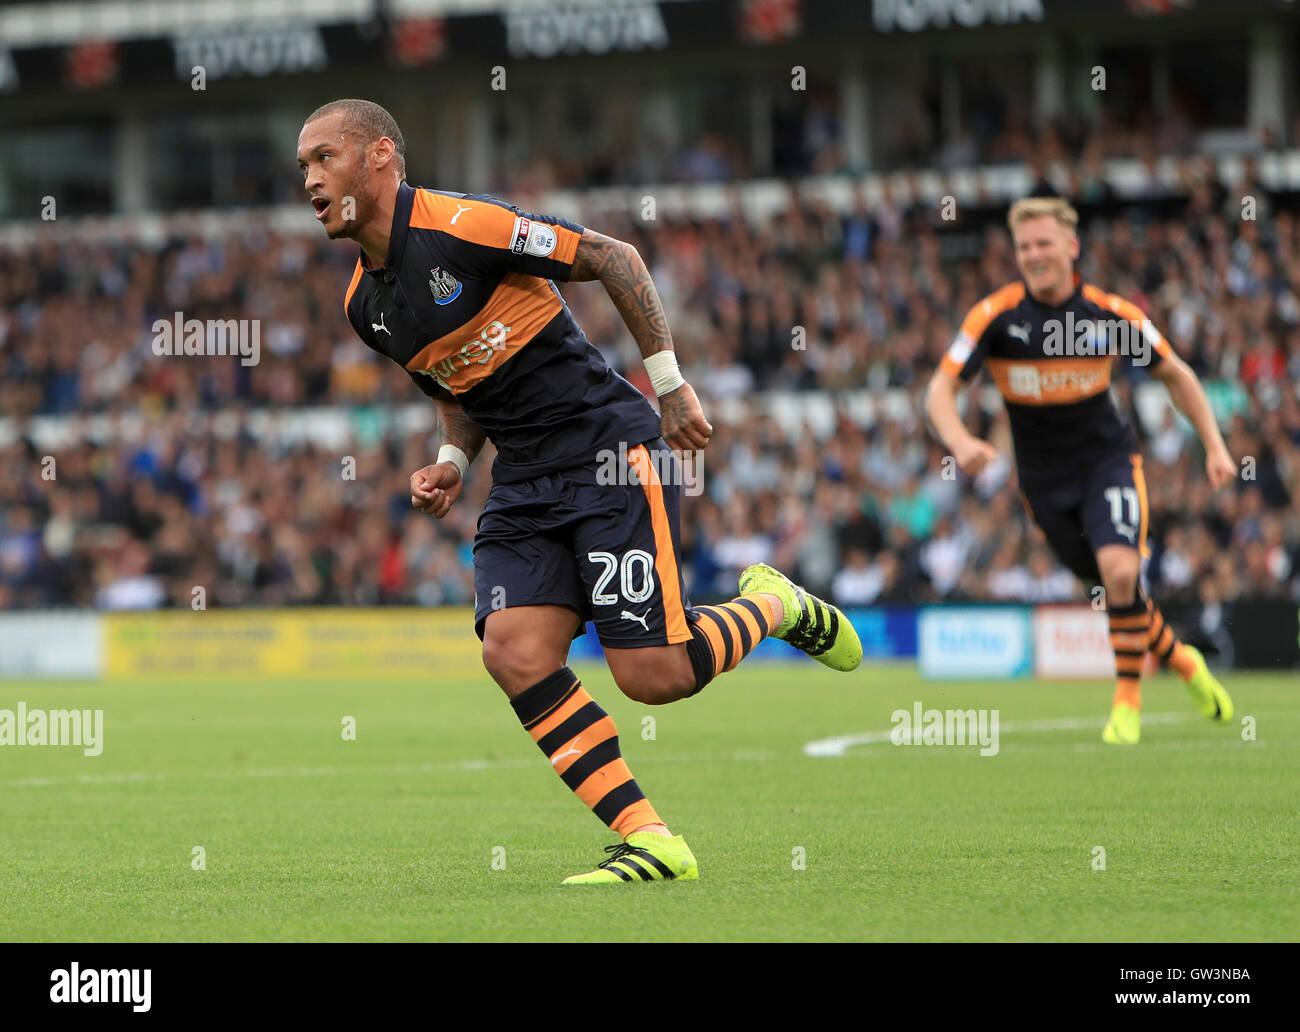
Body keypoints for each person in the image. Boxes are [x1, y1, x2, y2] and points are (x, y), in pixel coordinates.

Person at [297, 99, 862, 883]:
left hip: (602, 452)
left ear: (382, 156)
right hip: (522, 482)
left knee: (653, 677)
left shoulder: (463, 225)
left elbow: (615, 256)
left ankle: (774, 606)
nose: (311, 180)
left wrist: (669, 384)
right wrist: (453, 464)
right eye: (304, 167)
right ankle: (652, 839)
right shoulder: (366, 305)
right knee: (514, 651)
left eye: (325, 158)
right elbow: (454, 393)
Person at [925, 197, 1235, 745]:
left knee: (1120, 574)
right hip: (1042, 485)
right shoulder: (994, 317)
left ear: (1072, 247)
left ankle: (1127, 703)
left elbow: (1178, 376)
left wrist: (1213, 445)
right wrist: (959, 439)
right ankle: (1185, 664)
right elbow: (940, 388)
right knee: (1113, 590)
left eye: (1044, 243)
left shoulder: (1109, 315)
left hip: (1107, 464)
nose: (1034, 254)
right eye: (1024, 246)